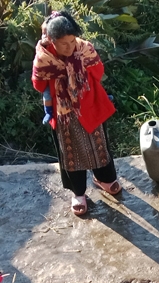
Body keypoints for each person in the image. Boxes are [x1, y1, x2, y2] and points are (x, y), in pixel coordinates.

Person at [32, 11, 119, 216]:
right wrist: (64, 78)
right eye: (63, 43)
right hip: (64, 112)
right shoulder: (44, 58)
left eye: (72, 41)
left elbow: (98, 72)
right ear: (52, 41)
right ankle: (78, 193)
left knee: (99, 145)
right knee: (70, 153)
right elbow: (39, 83)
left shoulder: (84, 48)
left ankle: (104, 179)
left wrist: (76, 77)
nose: (70, 47)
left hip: (90, 104)